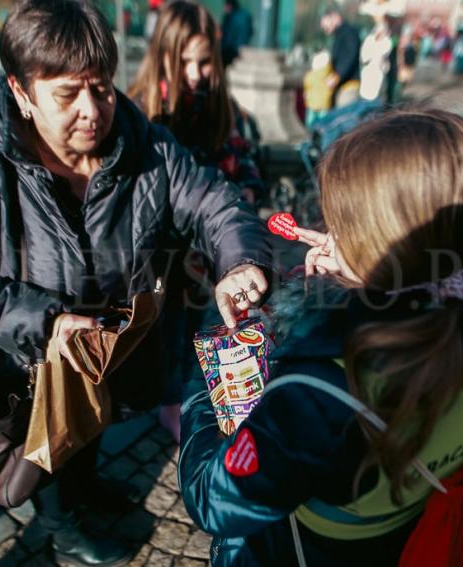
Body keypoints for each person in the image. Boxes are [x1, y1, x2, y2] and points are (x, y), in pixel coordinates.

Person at [0, 0, 272, 565]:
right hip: (26, 365)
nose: (92, 111)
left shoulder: (146, 144)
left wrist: (239, 261)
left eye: (102, 88)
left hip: (113, 349)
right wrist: (41, 321)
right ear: (20, 92)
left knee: (91, 429)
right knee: (51, 444)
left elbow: (215, 201)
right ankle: (59, 524)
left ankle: (86, 491)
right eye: (67, 95)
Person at [178, 109, 463, 565]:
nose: (330, 237)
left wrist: (205, 382)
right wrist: (349, 288)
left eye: (342, 226)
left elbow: (213, 499)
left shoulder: (321, 393)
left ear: (380, 244)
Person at [127, 0, 265, 441]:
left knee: (196, 326)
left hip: (208, 257)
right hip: (159, 259)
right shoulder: (140, 114)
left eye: (203, 61)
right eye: (183, 60)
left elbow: (247, 164)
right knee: (163, 332)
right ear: (161, 55)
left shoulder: (226, 111)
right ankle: (168, 402)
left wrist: (245, 189)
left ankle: (192, 391)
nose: (194, 73)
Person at [320, 8, 361, 108]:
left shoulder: (348, 33)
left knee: (345, 119)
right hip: (343, 85)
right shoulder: (341, 34)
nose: (326, 30)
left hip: (348, 86)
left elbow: (350, 55)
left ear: (335, 17)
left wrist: (337, 76)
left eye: (326, 26)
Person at [220, 0, 253, 67]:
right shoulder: (245, 15)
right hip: (237, 47)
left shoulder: (230, 17)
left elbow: (227, 35)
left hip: (230, 48)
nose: (225, 8)